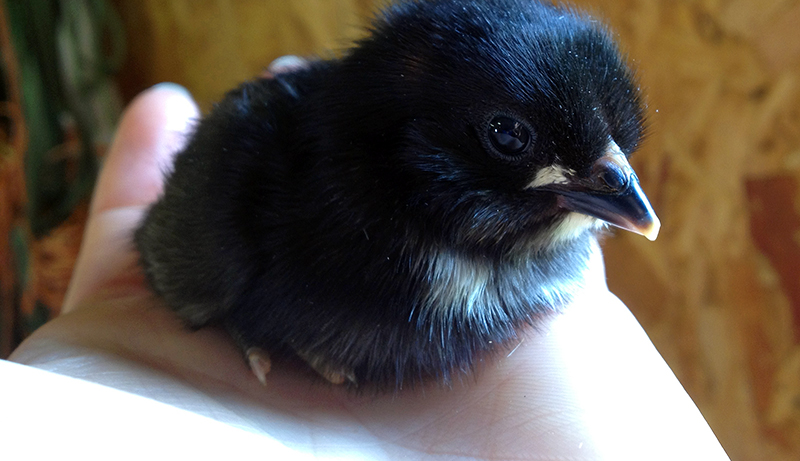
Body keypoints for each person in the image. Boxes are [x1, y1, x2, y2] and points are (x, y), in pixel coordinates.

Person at [3, 66, 730, 459]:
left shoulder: (551, 256)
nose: (616, 188)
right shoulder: (247, 193)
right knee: (197, 271)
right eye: (510, 135)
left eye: (613, 157)